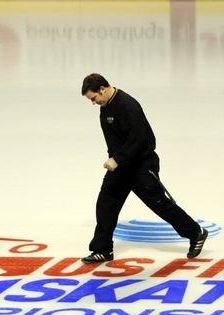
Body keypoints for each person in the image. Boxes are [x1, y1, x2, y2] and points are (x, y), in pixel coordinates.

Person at [80, 73, 207, 264]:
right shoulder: (105, 106)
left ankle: (196, 232)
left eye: (94, 98)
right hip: (121, 167)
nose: (93, 103)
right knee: (106, 204)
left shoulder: (127, 106)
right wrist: (114, 159)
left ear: (103, 89)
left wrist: (118, 159)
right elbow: (115, 139)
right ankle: (103, 249)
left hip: (141, 165)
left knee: (160, 205)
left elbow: (142, 140)